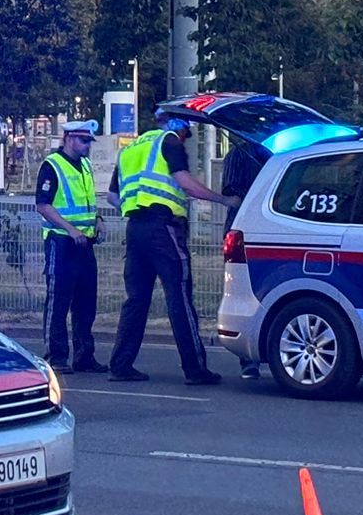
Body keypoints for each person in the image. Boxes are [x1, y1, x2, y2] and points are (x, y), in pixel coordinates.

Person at [107, 110, 237, 385]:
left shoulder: (131, 149)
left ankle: (120, 365)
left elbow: (112, 197)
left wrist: (137, 207)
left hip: (136, 229)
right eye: (186, 133)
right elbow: (185, 184)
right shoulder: (170, 142)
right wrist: (223, 200)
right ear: (180, 127)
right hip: (163, 228)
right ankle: (195, 369)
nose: (185, 138)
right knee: (179, 296)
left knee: (136, 300)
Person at [34, 120, 104, 374]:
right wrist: (69, 229)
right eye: (83, 140)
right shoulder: (52, 165)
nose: (87, 146)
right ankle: (56, 356)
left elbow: (87, 201)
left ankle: (84, 356)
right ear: (69, 138)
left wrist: (98, 220)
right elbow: (43, 205)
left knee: (86, 302)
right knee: (59, 301)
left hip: (84, 243)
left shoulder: (85, 165)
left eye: (89, 141)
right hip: (61, 242)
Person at [218, 135, 269, 380]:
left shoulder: (269, 153)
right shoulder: (241, 153)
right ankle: (248, 359)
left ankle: (255, 354)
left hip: (265, 228)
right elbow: (232, 193)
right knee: (246, 294)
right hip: (245, 228)